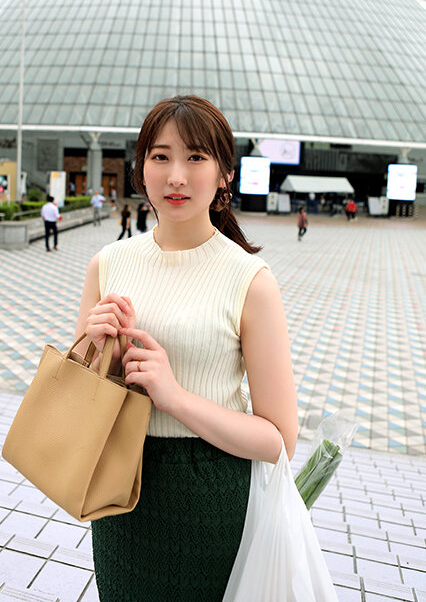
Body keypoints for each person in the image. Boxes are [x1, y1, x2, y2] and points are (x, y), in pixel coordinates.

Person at [72, 95, 297, 601]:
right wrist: (99, 353)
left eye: (196, 157)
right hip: (120, 490)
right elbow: (84, 399)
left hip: (210, 497)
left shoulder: (250, 280)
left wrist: (174, 397)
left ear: (224, 175)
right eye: (161, 156)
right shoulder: (107, 263)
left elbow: (279, 440)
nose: (176, 176)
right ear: (141, 170)